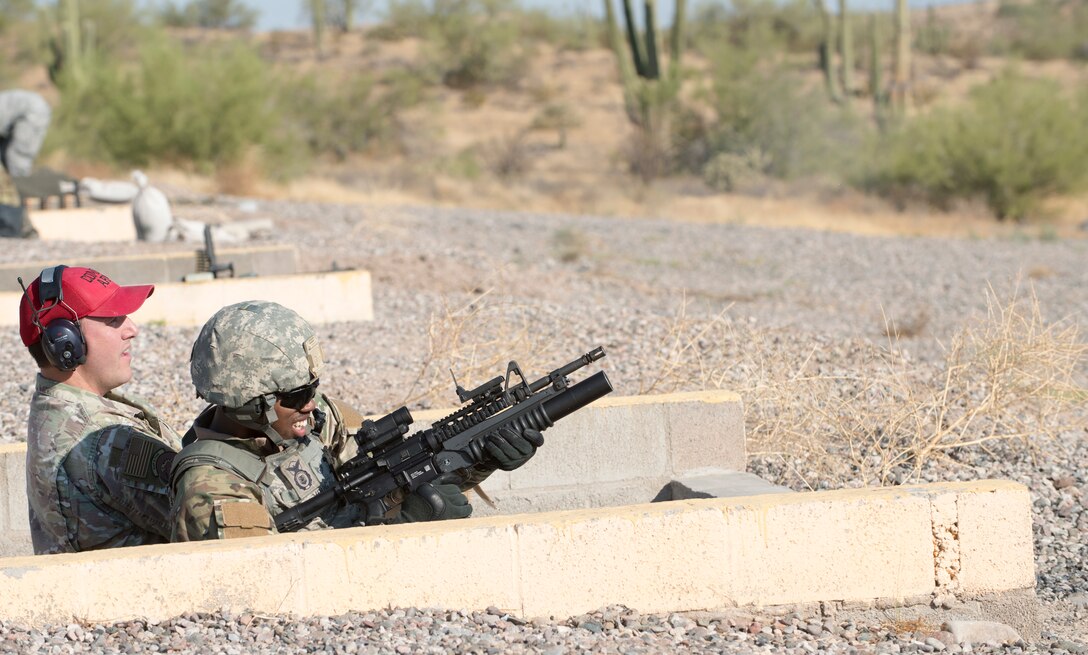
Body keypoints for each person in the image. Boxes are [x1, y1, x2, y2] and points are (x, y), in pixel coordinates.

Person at [171, 300, 542, 541]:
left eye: (312, 387)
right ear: (248, 403)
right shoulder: (211, 489)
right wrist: (402, 533)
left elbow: (392, 482)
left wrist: (479, 458)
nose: (311, 403)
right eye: (296, 395)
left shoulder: (317, 421)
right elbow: (271, 590)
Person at [19, 265, 183, 554]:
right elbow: (215, 516)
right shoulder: (105, 441)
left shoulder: (57, 406)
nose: (132, 329)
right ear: (64, 341)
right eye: (113, 319)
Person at [0, 90, 51, 237]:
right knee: (10, 167)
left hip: (31, 114)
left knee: (17, 166)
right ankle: (18, 218)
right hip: (24, 114)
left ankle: (21, 222)